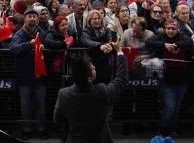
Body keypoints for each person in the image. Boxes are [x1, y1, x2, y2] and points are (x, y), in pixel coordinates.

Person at [53, 44, 129, 142]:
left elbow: (58, 119)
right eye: (92, 68)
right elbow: (121, 78)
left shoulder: (63, 94)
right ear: (89, 77)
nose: (94, 68)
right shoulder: (102, 91)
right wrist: (119, 51)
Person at [9, 8, 48, 140]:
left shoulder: (42, 33)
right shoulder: (20, 33)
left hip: (40, 75)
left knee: (40, 104)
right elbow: (14, 49)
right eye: (30, 16)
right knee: (25, 104)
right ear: (25, 19)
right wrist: (29, 45)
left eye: (34, 16)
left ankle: (41, 129)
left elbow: (50, 44)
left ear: (37, 19)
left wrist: (45, 48)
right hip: (24, 74)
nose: (32, 19)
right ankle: (26, 129)